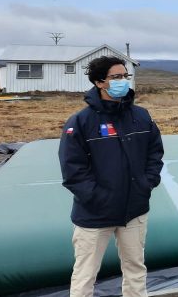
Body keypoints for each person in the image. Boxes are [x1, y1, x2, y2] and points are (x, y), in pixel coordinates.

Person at [59, 56, 164, 297]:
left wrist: (147, 183)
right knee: (85, 274)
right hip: (95, 213)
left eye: (125, 76)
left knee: (135, 269)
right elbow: (73, 169)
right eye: (116, 77)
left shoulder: (141, 116)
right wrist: (97, 197)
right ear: (99, 82)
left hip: (134, 209)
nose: (123, 81)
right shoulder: (81, 122)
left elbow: (155, 153)